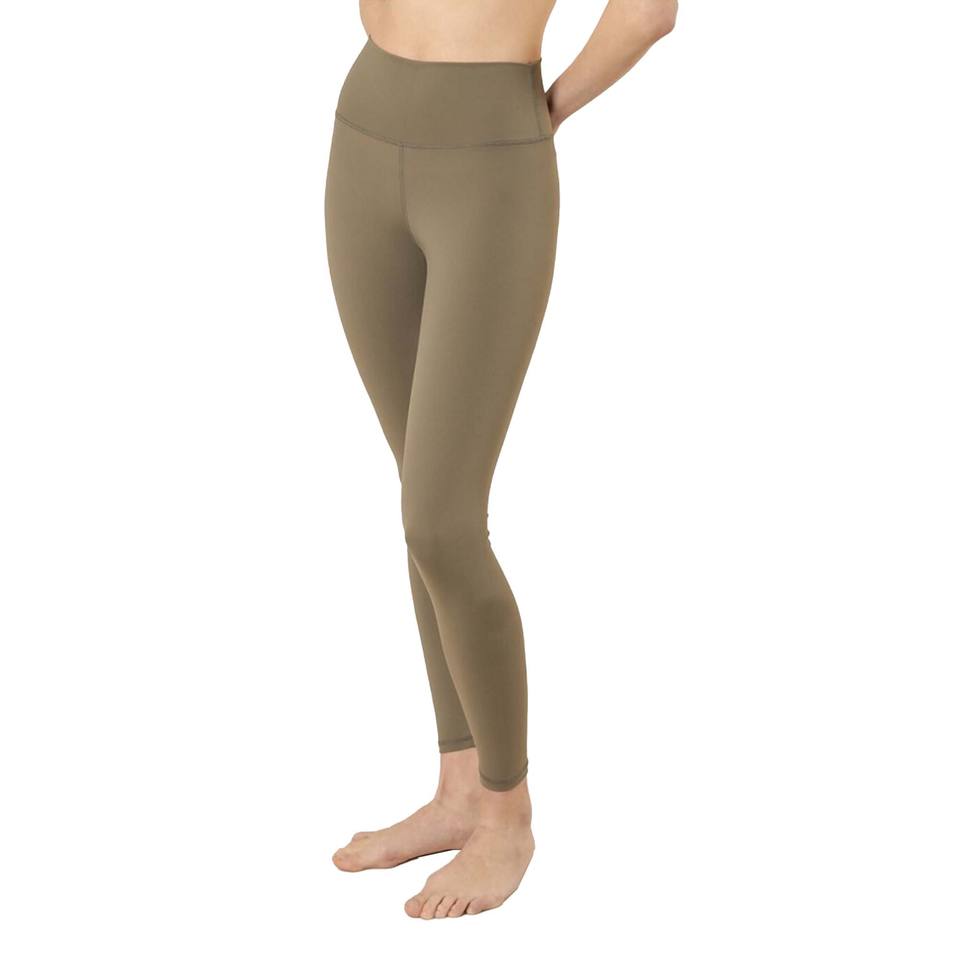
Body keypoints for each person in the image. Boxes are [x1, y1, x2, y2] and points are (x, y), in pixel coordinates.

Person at [324, 0, 678, 919]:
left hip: (487, 157)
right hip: (364, 133)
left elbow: (648, 13)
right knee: (421, 501)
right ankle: (457, 789)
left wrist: (547, 110)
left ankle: (506, 813)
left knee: (441, 519)